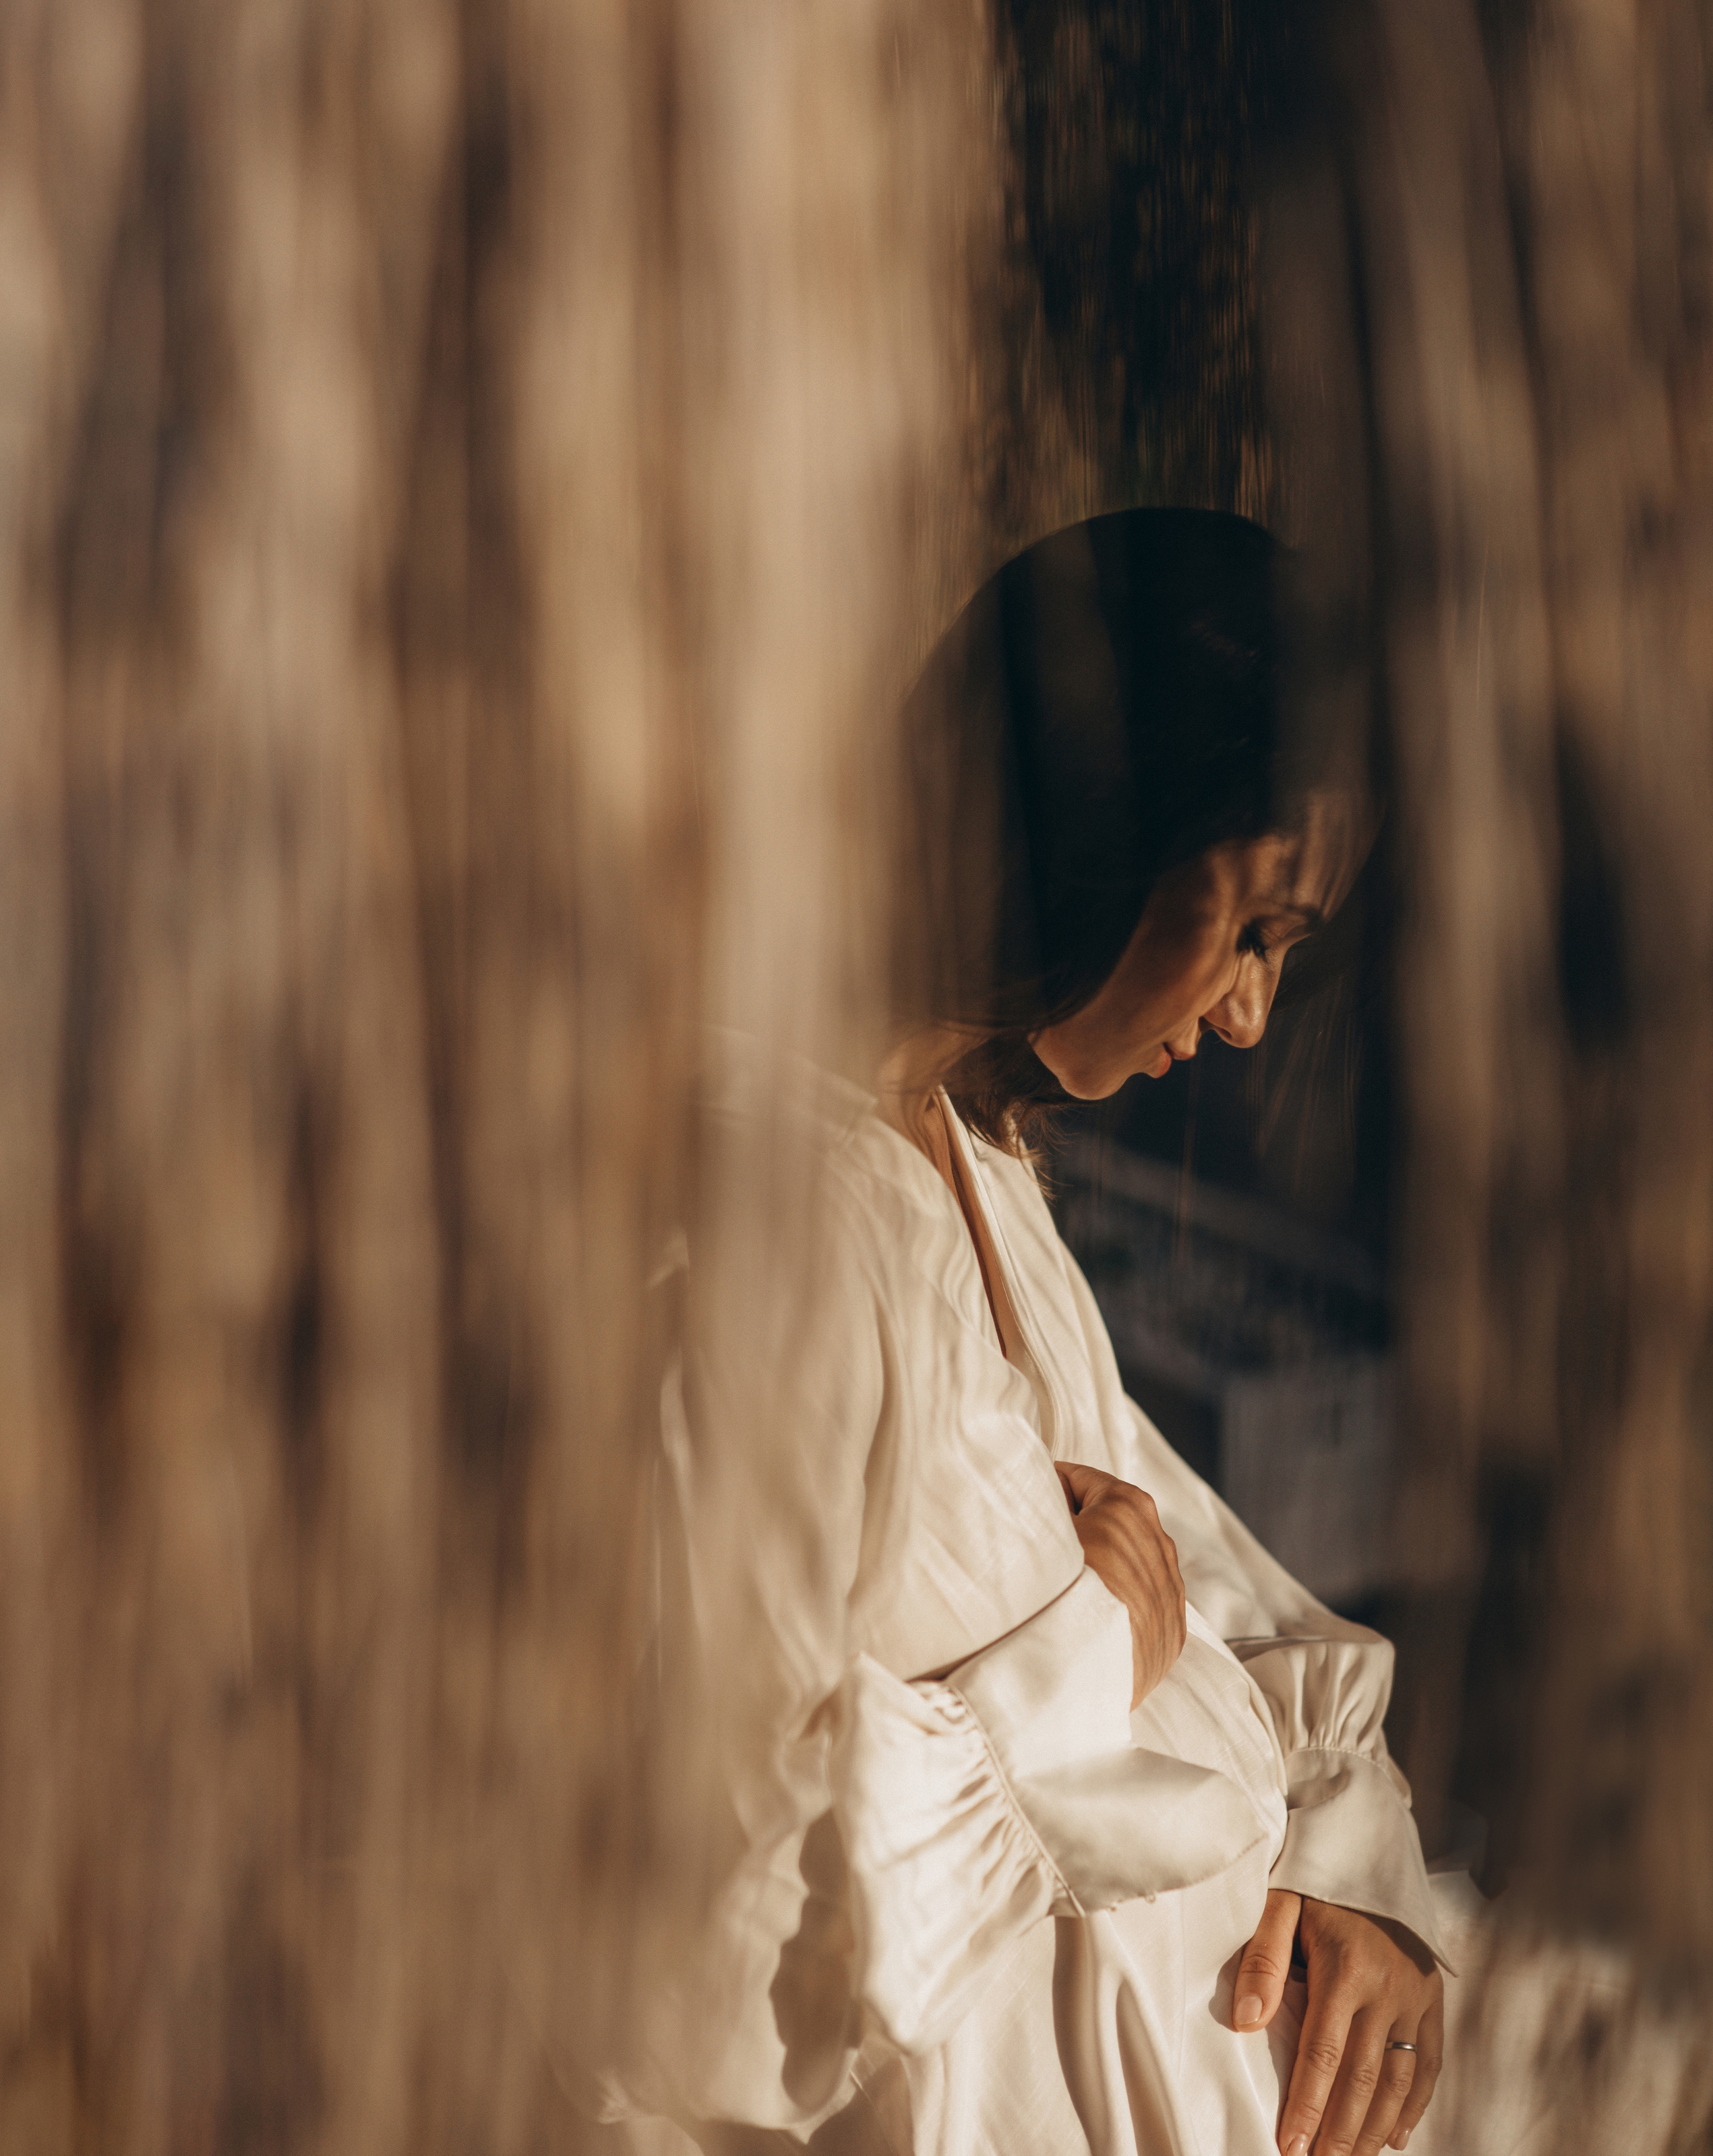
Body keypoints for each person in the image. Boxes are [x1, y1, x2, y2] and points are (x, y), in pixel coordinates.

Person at [599, 512, 1456, 2156]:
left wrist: (1348, 1869)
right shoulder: (766, 1245)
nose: (1244, 1016)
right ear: (1097, 823)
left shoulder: (973, 1162)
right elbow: (684, 1962)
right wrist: (1071, 1679)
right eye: (1250, 932)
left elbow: (1207, 1588)